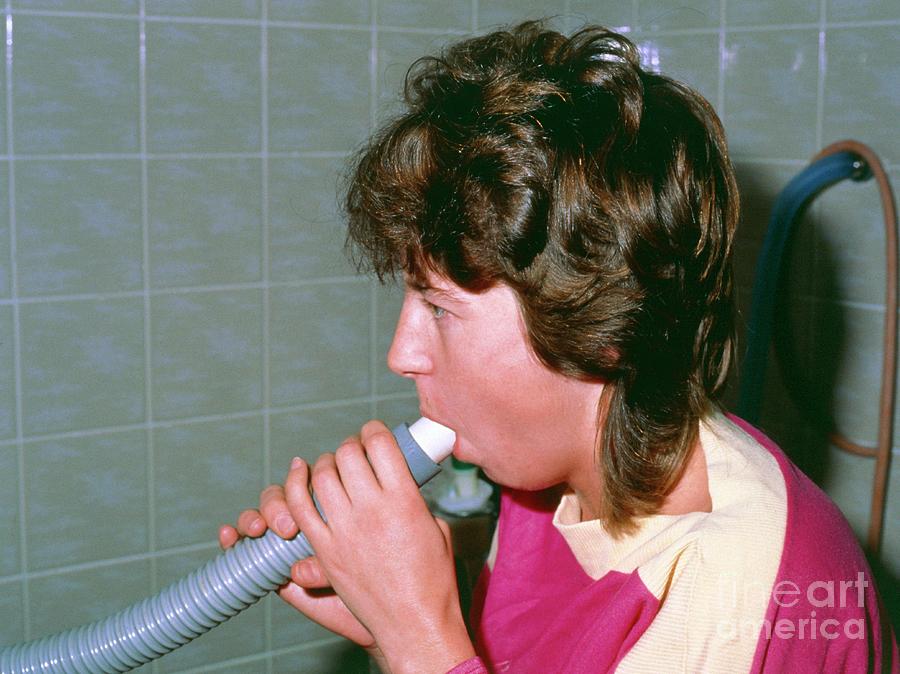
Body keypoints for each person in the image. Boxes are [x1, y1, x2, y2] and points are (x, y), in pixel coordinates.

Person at [219, 21, 897, 673]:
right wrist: (389, 617)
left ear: (603, 331)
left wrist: (417, 638)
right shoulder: (547, 481)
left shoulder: (743, 594)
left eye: (438, 308)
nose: (402, 354)